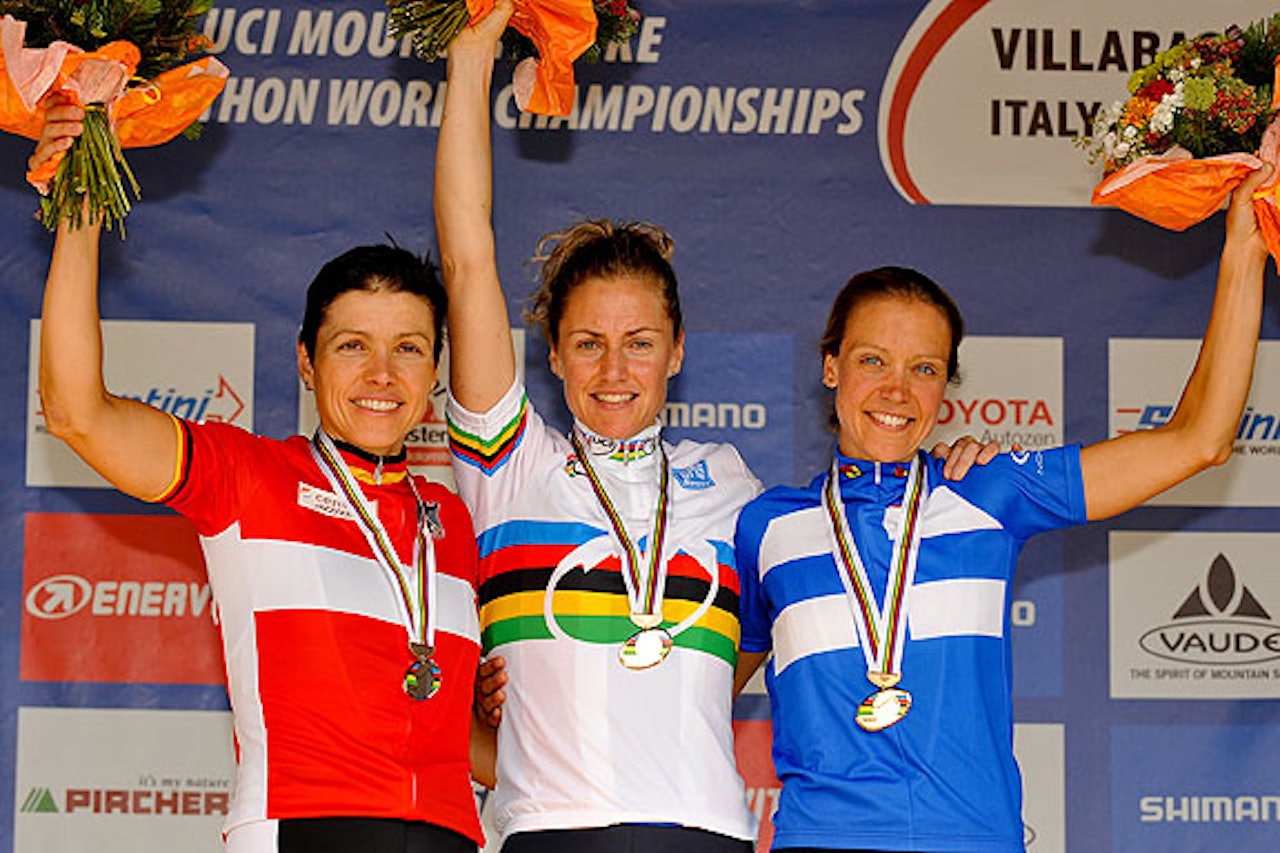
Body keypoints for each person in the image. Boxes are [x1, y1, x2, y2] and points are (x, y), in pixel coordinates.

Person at [434, 7, 994, 852]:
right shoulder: (512, 464)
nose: (615, 370)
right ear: (550, 354)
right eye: (588, 344)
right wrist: (474, 53)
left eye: (640, 344)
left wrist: (944, 476)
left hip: (710, 832)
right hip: (551, 831)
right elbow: (467, 256)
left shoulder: (733, 487)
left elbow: (836, 572)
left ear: (679, 351)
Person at [731, 161, 1275, 851]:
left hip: (974, 838)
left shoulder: (989, 490)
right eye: (873, 361)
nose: (897, 390)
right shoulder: (765, 525)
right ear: (831, 366)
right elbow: (701, 691)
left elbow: (1201, 439)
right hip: (822, 837)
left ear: (947, 388)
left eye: (924, 368)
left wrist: (1243, 245)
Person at [33, 98, 486, 853]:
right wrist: (80, 207)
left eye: (408, 348)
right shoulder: (245, 475)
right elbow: (78, 412)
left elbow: (470, 737)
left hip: (450, 833)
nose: (381, 373)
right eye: (352, 346)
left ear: (436, 370)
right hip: (302, 826)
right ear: (305, 362)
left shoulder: (454, 518)